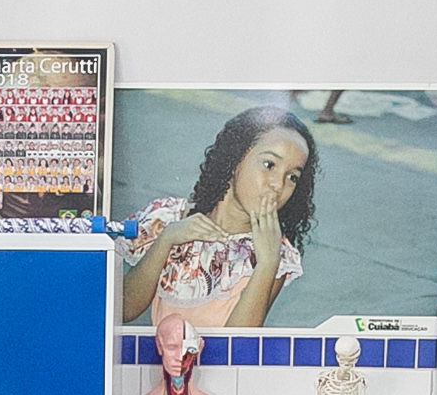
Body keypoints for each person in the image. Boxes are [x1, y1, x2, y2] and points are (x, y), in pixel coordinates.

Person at [122, 106, 317, 327]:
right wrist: (166, 239)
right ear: (235, 159)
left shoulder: (272, 250)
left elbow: (238, 343)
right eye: (269, 165)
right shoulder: (169, 217)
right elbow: (124, 309)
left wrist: (267, 264)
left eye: (292, 177)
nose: (278, 185)